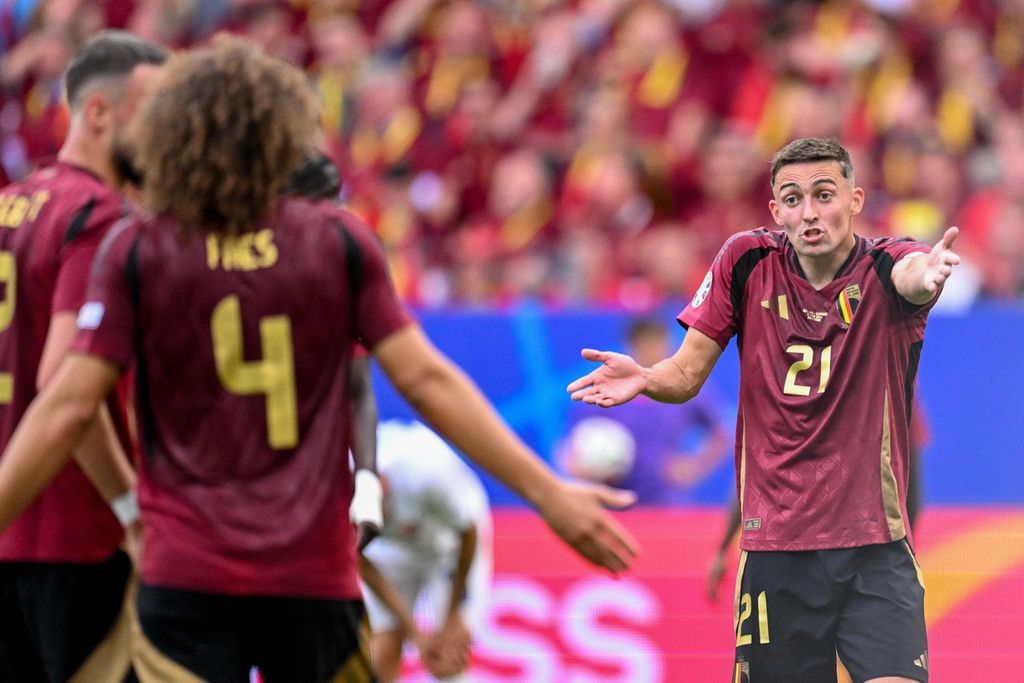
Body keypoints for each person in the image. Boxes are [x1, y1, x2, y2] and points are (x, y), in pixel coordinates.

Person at [0, 36, 637, 682]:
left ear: (174, 135)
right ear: (282, 133)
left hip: (186, 575)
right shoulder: (335, 241)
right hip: (309, 575)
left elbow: (66, 404)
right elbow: (424, 378)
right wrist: (545, 491)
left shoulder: (138, 249)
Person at [568, 137, 960, 682]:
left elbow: (912, 276)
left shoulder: (884, 266)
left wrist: (930, 271)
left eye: (825, 195)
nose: (810, 212)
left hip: (875, 549)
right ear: (776, 210)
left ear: (854, 199)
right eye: (793, 199)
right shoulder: (745, 260)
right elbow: (685, 375)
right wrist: (647, 377)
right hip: (777, 549)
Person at [0, 31, 167, 682]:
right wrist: (131, 510)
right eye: (152, 114)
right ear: (99, 113)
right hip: (77, 540)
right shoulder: (97, 214)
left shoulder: (9, 203)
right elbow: (65, 383)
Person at [359, 420, 491, 682]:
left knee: (449, 651)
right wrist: (415, 633)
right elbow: (358, 558)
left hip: (449, 543)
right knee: (382, 644)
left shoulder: (426, 473)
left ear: (385, 487)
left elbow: (468, 533)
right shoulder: (341, 490)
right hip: (389, 552)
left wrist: (453, 613)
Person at [562, 316, 730, 503]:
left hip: (666, 502)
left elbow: (721, 433)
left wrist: (694, 467)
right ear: (631, 346)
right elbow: (570, 446)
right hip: (614, 500)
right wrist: (580, 467)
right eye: (645, 344)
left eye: (658, 343)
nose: (653, 351)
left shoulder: (686, 388)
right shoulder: (606, 388)